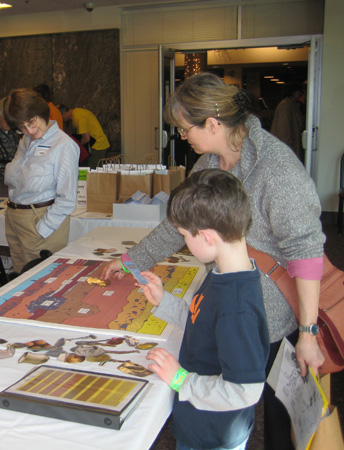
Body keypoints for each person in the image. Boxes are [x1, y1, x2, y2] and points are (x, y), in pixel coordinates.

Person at [101, 72, 325, 450]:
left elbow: (306, 253)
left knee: (276, 419)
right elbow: (179, 224)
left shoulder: (277, 168)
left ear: (213, 123)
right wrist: (132, 260)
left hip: (270, 313)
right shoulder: (206, 163)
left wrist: (308, 333)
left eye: (185, 128)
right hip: (224, 297)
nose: (182, 136)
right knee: (222, 396)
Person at [138, 169, 269, 450]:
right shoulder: (223, 273)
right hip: (200, 421)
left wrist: (180, 379)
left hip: (213, 435)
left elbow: (245, 391)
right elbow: (202, 320)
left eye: (184, 235)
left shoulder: (237, 306)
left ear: (208, 237)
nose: (184, 242)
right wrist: (165, 302)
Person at [3, 88, 79, 273]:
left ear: (41, 112)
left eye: (31, 122)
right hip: (16, 217)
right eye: (21, 127)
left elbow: (67, 199)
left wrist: (42, 229)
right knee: (20, 282)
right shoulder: (26, 140)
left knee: (41, 285)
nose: (28, 130)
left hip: (39, 220)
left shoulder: (63, 145)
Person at [58, 104, 110, 169]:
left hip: (97, 146)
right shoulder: (78, 112)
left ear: (64, 114)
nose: (62, 120)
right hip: (97, 145)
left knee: (92, 172)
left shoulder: (78, 116)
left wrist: (76, 146)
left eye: (59, 117)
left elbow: (86, 138)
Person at [270, 82, 305, 162]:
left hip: (289, 148)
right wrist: (288, 151)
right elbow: (284, 131)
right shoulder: (285, 106)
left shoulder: (292, 106)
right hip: (286, 149)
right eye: (299, 93)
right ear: (294, 92)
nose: (300, 95)